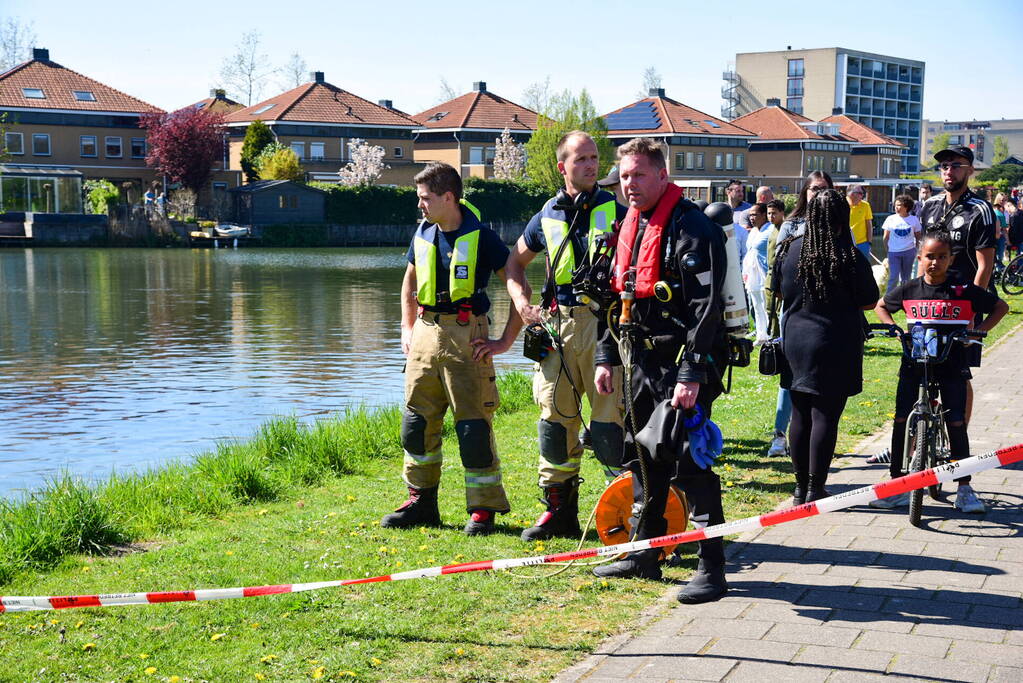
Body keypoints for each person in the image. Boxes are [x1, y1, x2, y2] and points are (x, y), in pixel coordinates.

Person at [590, 137, 730, 605]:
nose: (630, 183)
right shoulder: (630, 224)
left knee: (688, 462)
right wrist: (606, 356)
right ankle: (643, 551)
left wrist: (690, 373)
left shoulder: (693, 229)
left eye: (639, 174)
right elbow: (618, 302)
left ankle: (713, 568)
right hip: (640, 363)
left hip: (683, 367)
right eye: (625, 176)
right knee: (642, 460)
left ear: (662, 176)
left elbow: (706, 310)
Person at [382, 162, 521, 536]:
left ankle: (483, 508)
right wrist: (406, 328)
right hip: (425, 334)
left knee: (473, 426)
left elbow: (516, 284)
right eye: (419, 199)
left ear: (449, 197)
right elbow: (409, 282)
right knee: (416, 424)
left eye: (426, 199)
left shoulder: (483, 238)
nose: (420, 206)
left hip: (467, 335)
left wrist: (505, 340)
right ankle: (421, 502)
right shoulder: (423, 232)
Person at [503, 131, 627, 541]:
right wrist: (523, 305)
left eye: (594, 158)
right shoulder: (547, 215)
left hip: (603, 326)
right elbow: (513, 264)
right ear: (563, 167)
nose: (591, 165)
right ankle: (559, 512)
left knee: (610, 424)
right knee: (554, 422)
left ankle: (628, 512)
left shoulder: (621, 211)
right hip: (557, 328)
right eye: (581, 159)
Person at [870, 232, 1008, 512]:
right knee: (900, 419)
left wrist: (978, 332)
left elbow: (1000, 307)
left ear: (951, 259)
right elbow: (881, 305)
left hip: (952, 363)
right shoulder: (909, 289)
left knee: (956, 421)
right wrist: (896, 330)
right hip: (914, 364)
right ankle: (897, 484)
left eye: (942, 257)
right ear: (920, 258)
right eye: (930, 256)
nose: (935, 262)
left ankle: (965, 488)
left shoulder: (962, 288)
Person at [775, 189, 878, 503]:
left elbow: (779, 292)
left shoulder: (789, 250)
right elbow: (871, 299)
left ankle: (798, 489)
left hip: (795, 342)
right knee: (825, 418)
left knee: (800, 416)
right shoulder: (848, 255)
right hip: (835, 343)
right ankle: (816, 487)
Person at [917, 145, 996, 431]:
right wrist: (914, 294)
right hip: (931, 302)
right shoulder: (929, 206)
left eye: (956, 165)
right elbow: (922, 256)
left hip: (963, 305)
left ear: (970, 170)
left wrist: (973, 309)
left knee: (960, 376)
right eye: (944, 166)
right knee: (923, 368)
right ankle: (921, 439)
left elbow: (984, 264)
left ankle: (957, 436)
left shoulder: (981, 210)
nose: (949, 171)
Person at [763, 198, 791, 457]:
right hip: (790, 310)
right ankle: (780, 435)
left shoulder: (840, 232)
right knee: (788, 378)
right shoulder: (789, 229)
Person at [776, 171, 834, 244]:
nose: (819, 193)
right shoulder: (790, 226)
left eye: (824, 189)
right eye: (815, 189)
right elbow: (780, 254)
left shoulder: (839, 225)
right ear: (805, 192)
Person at [741, 202, 771, 344]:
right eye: (750, 215)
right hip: (752, 275)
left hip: (764, 274)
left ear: (764, 215)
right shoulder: (753, 232)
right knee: (757, 306)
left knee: (766, 306)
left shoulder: (770, 230)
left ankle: (770, 334)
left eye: (755, 215)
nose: (752, 218)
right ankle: (761, 335)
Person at [881, 194, 922, 293]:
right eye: (895, 205)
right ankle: (888, 298)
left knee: (906, 278)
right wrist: (888, 251)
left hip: (909, 252)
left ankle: (905, 297)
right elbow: (885, 237)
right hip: (894, 253)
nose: (896, 207)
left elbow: (918, 237)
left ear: (906, 206)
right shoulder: (890, 219)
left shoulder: (914, 219)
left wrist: (916, 250)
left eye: (899, 205)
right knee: (893, 277)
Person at [726, 179, 751, 263]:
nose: (741, 194)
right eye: (738, 191)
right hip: (727, 249)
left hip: (744, 251)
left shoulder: (749, 209)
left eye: (742, 191)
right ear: (728, 192)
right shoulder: (722, 209)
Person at [847, 184, 874, 258]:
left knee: (864, 268)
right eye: (860, 193)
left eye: (863, 193)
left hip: (863, 244)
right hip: (846, 244)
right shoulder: (842, 204)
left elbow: (869, 225)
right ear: (851, 194)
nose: (862, 196)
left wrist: (869, 243)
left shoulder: (865, 205)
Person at [993, 192, 1008, 266]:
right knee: (999, 257)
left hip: (993, 236)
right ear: (998, 200)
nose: (1003, 202)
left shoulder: (993, 210)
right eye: (1002, 200)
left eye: (1005, 200)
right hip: (999, 236)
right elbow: (1004, 229)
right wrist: (1008, 240)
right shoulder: (999, 213)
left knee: (994, 257)